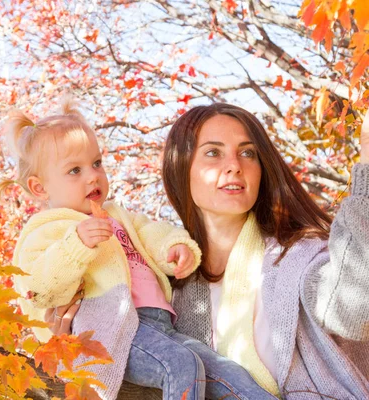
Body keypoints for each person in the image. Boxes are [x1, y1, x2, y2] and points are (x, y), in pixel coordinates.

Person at [50, 103, 369, 399]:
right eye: (213, 153)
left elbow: (351, 313)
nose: (234, 166)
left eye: (248, 153)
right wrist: (71, 344)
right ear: (181, 169)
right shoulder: (163, 284)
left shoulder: (299, 258)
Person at [0, 98, 277, 400]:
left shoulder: (118, 216)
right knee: (181, 364)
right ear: (40, 188)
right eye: (74, 171)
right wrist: (76, 245)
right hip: (116, 330)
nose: (92, 175)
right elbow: (38, 286)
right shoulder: (47, 230)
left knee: (228, 373)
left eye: (97, 163)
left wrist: (176, 247)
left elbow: (153, 233)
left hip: (161, 325)